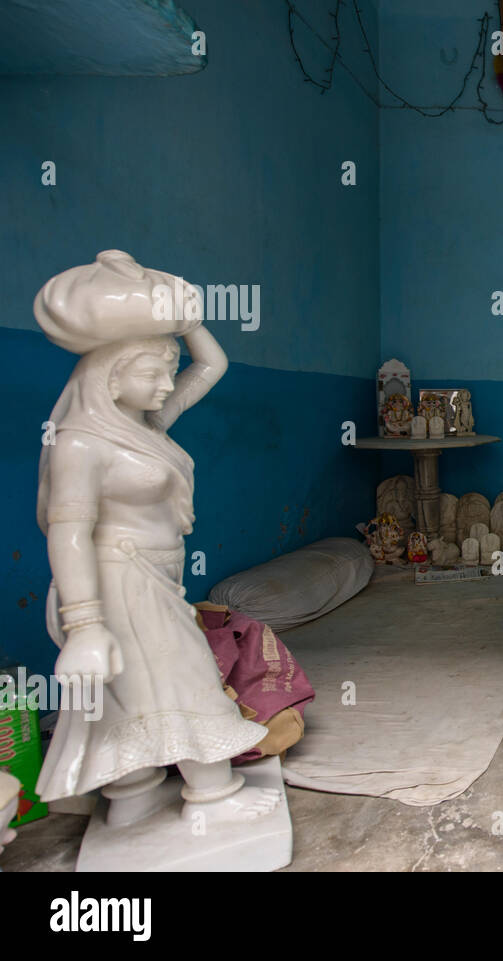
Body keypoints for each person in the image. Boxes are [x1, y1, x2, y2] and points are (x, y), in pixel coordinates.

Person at [33, 250, 278, 827]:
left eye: (169, 369)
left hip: (154, 576)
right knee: (183, 677)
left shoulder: (144, 424)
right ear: (109, 375)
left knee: (129, 694)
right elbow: (68, 534)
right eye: (153, 372)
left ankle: (132, 794)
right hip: (117, 579)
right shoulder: (80, 443)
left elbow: (210, 367)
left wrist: (184, 318)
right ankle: (213, 794)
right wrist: (86, 627)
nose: (168, 382)